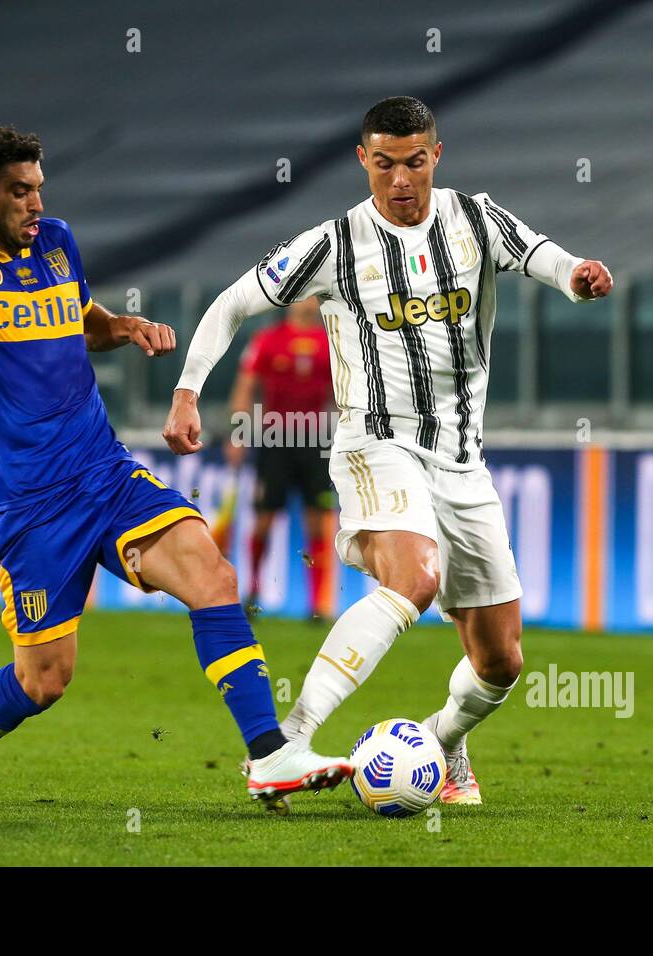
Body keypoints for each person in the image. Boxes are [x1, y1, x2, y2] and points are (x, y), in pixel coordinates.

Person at [0, 102, 352, 811]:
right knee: (44, 680)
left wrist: (120, 327)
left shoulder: (57, 242)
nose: (37, 202)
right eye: (19, 191)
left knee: (211, 573)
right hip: (30, 503)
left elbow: (76, 317)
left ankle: (268, 754)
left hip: (104, 470)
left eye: (38, 186)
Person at [164, 96, 612, 806]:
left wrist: (576, 275)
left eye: (412, 163)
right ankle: (289, 741)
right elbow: (232, 303)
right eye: (383, 164)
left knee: (500, 660)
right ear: (363, 161)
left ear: (436, 156)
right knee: (413, 578)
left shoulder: (475, 218)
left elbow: (543, 255)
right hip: (376, 443)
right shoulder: (336, 244)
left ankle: (442, 743)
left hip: (463, 460)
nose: (399, 181)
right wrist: (189, 391)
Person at [224, 296, 334, 619]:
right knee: (264, 521)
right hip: (276, 440)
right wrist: (237, 435)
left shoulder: (331, 343)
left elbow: (343, 395)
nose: (308, 302)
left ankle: (319, 605)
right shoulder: (268, 340)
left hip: (317, 440)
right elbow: (246, 387)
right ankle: (254, 589)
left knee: (318, 522)